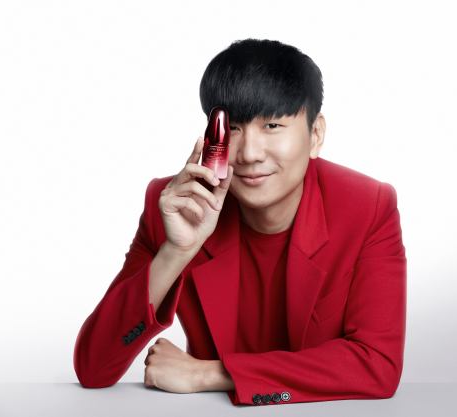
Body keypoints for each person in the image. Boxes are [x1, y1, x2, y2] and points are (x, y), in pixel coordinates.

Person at [73, 38, 407, 406]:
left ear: (315, 135)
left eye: (273, 125)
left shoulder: (368, 207)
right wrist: (177, 251)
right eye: (232, 127)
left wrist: (208, 374)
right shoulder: (175, 205)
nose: (249, 153)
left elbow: (378, 366)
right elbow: (93, 367)